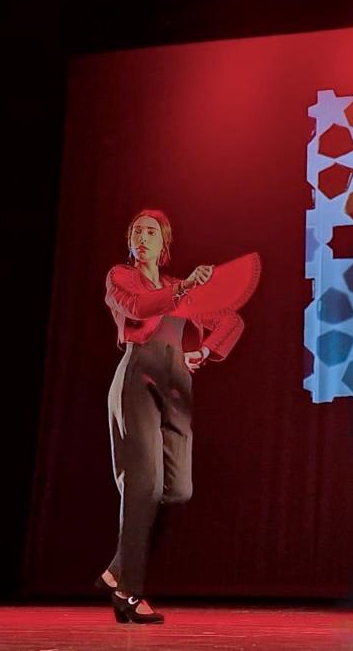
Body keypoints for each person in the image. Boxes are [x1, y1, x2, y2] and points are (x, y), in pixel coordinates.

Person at [97, 209, 244, 624]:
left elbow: (230, 320)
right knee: (143, 485)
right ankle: (130, 591)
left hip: (176, 380)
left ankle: (115, 571)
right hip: (137, 374)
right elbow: (140, 308)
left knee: (178, 488)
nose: (143, 237)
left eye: (151, 232)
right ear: (131, 241)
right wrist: (182, 295)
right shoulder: (120, 278)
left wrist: (206, 350)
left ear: (164, 244)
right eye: (137, 231)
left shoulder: (182, 287)